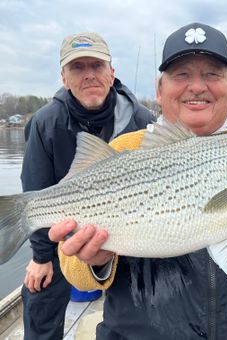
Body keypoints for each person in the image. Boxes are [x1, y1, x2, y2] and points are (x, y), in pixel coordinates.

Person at [48, 23, 227, 340]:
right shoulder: (123, 151)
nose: (197, 86)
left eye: (212, 74)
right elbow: (75, 271)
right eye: (181, 74)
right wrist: (95, 261)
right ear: (160, 91)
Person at [21, 31, 154, 340]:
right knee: (38, 293)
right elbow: (35, 191)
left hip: (129, 225)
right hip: (60, 228)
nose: (89, 75)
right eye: (78, 68)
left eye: (97, 65)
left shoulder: (142, 118)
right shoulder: (45, 122)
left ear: (112, 73)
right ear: (64, 78)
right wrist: (41, 258)